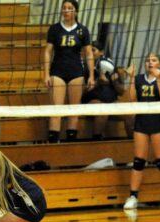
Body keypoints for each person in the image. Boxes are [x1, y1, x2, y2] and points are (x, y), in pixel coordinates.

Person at [124, 52, 160, 209]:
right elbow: (132, 99)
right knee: (138, 160)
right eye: (147, 60)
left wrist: (158, 79)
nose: (150, 63)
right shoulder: (139, 79)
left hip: (158, 123)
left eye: (154, 60)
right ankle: (133, 196)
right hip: (141, 123)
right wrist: (132, 78)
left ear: (159, 63)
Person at [43, 0, 94, 143]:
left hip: (76, 72)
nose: (66, 10)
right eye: (64, 8)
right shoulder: (55, 29)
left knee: (73, 111)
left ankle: (70, 145)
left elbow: (89, 53)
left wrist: (91, 75)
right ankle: (53, 144)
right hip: (57, 71)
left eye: (69, 8)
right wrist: (46, 74)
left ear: (75, 12)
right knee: (56, 110)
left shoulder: (83, 30)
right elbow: (48, 52)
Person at [82, 41, 132, 140]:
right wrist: (97, 83)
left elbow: (121, 92)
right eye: (89, 51)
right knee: (103, 109)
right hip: (92, 101)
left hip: (112, 101)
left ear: (102, 52)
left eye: (93, 50)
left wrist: (114, 82)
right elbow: (81, 91)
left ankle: (132, 141)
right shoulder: (83, 67)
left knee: (131, 113)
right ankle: (97, 140)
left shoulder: (110, 66)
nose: (90, 53)